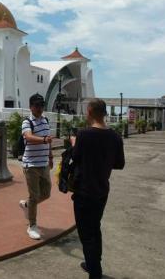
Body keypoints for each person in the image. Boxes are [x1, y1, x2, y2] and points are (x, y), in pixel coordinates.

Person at [71, 98, 125, 279]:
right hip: (102, 190)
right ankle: (93, 263)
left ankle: (95, 272)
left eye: (87, 111)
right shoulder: (115, 136)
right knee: (95, 228)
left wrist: (74, 144)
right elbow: (119, 164)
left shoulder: (83, 135)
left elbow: (76, 158)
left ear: (92, 112)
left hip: (84, 191)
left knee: (86, 234)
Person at [19, 93, 53, 240]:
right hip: (31, 165)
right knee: (34, 196)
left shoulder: (45, 120)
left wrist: (50, 156)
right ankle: (32, 225)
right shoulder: (27, 122)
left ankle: (27, 205)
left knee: (46, 193)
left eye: (41, 105)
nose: (40, 108)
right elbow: (28, 137)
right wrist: (44, 140)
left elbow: (49, 140)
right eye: (37, 105)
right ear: (31, 107)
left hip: (44, 163)